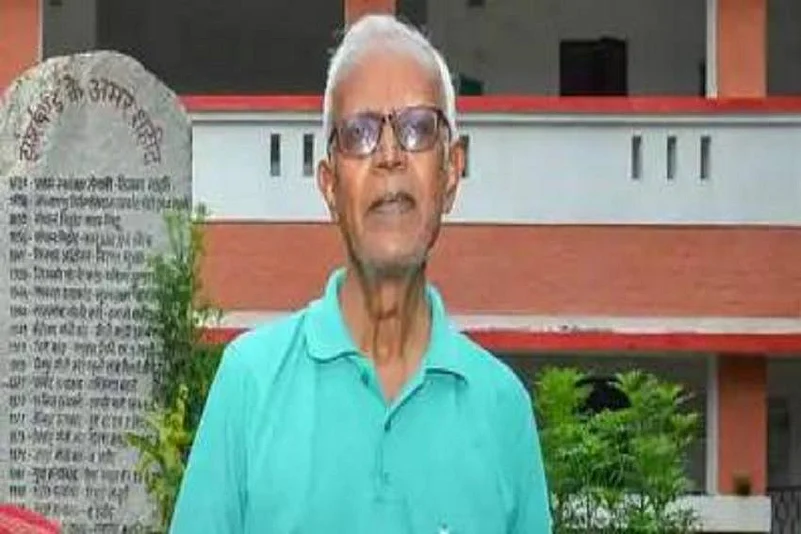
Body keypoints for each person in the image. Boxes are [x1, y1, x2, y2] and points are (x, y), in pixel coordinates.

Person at [170, 13, 552, 534]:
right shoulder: (250, 384)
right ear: (330, 185)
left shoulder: (502, 410)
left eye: (418, 128)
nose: (390, 156)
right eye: (360, 133)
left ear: (451, 173)